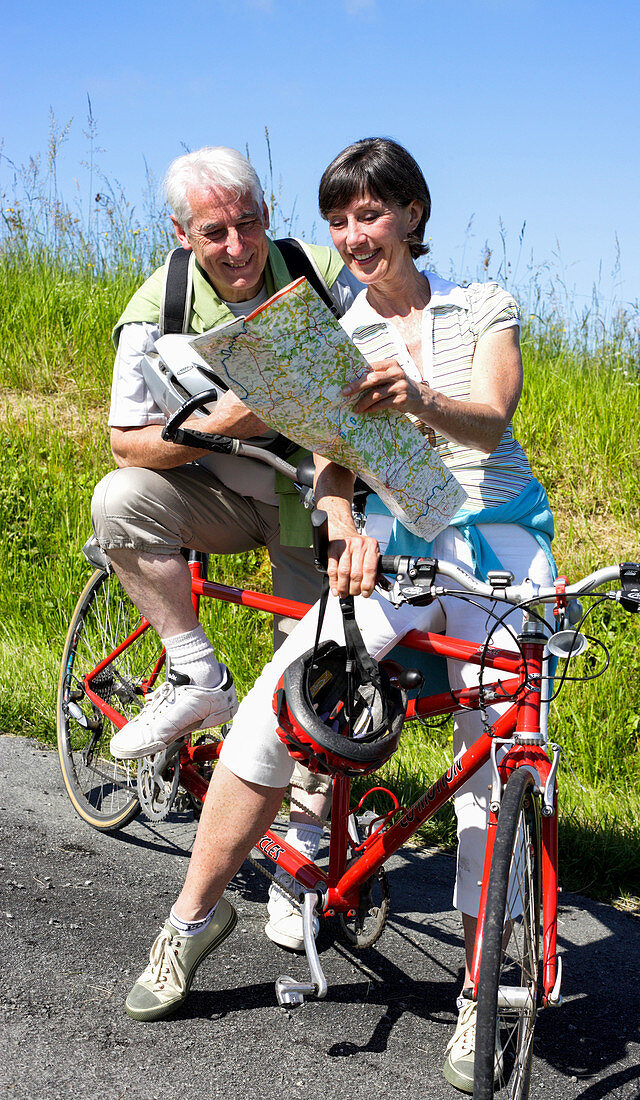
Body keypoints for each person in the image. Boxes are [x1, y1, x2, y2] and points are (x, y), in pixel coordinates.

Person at [121, 138, 555, 1094]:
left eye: (371, 213)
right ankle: (191, 919)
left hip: (505, 556)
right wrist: (339, 518)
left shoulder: (479, 305)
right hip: (395, 550)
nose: (356, 236)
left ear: (410, 212)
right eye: (339, 221)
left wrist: (421, 398)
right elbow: (330, 457)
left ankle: (483, 994)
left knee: (498, 761)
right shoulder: (340, 326)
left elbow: (490, 418)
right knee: (274, 713)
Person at [92, 146, 362, 952]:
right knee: (119, 501)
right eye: (215, 232)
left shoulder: (321, 273)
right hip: (219, 489)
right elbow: (125, 442)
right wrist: (220, 427)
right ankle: (194, 674)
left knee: (321, 682)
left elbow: (374, 374)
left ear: (269, 215)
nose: (237, 246)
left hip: (316, 496)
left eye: (249, 223)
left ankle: (301, 860)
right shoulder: (156, 307)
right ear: (182, 234)